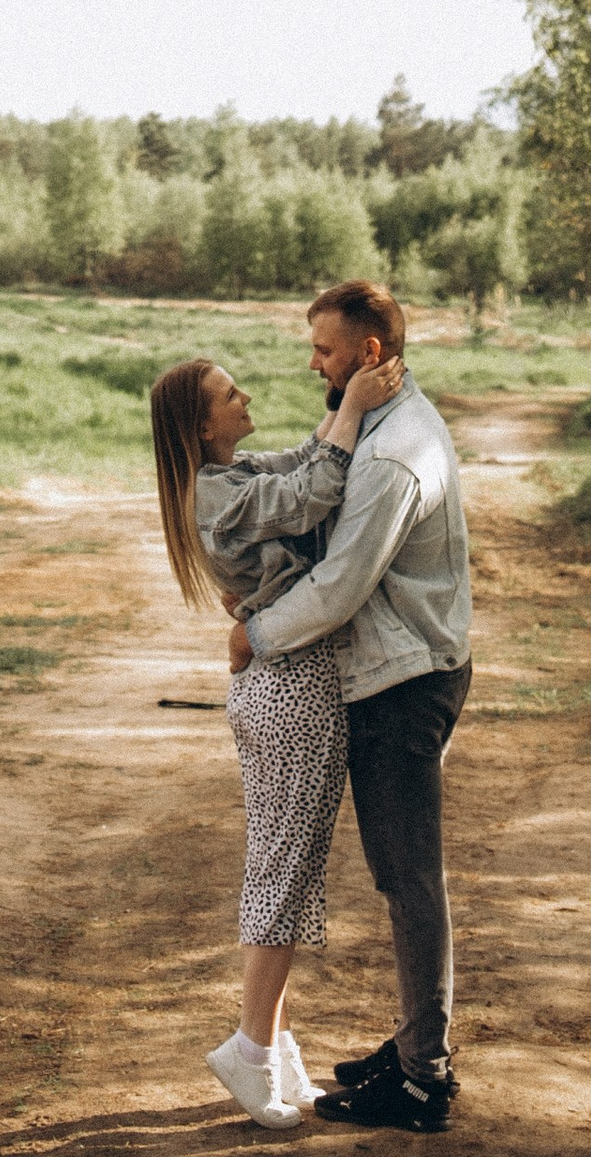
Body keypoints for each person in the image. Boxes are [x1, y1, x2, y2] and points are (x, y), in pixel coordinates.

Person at [232, 280, 473, 1134]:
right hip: (397, 669)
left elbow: (339, 586)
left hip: (406, 684)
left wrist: (256, 635)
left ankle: (423, 1078)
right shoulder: (372, 418)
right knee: (400, 874)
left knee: (410, 880)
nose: (312, 364)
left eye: (325, 352)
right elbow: (304, 466)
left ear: (369, 355)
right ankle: (414, 1044)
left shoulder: (397, 452)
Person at [149, 335, 400, 1129]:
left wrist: (340, 408)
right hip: (290, 689)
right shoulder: (214, 496)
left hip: (286, 685)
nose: (247, 398)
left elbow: (301, 461)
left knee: (285, 867)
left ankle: (278, 1048)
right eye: (231, 395)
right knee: (284, 874)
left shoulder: (229, 476)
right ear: (202, 427)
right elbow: (316, 491)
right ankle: (250, 1047)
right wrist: (356, 405)